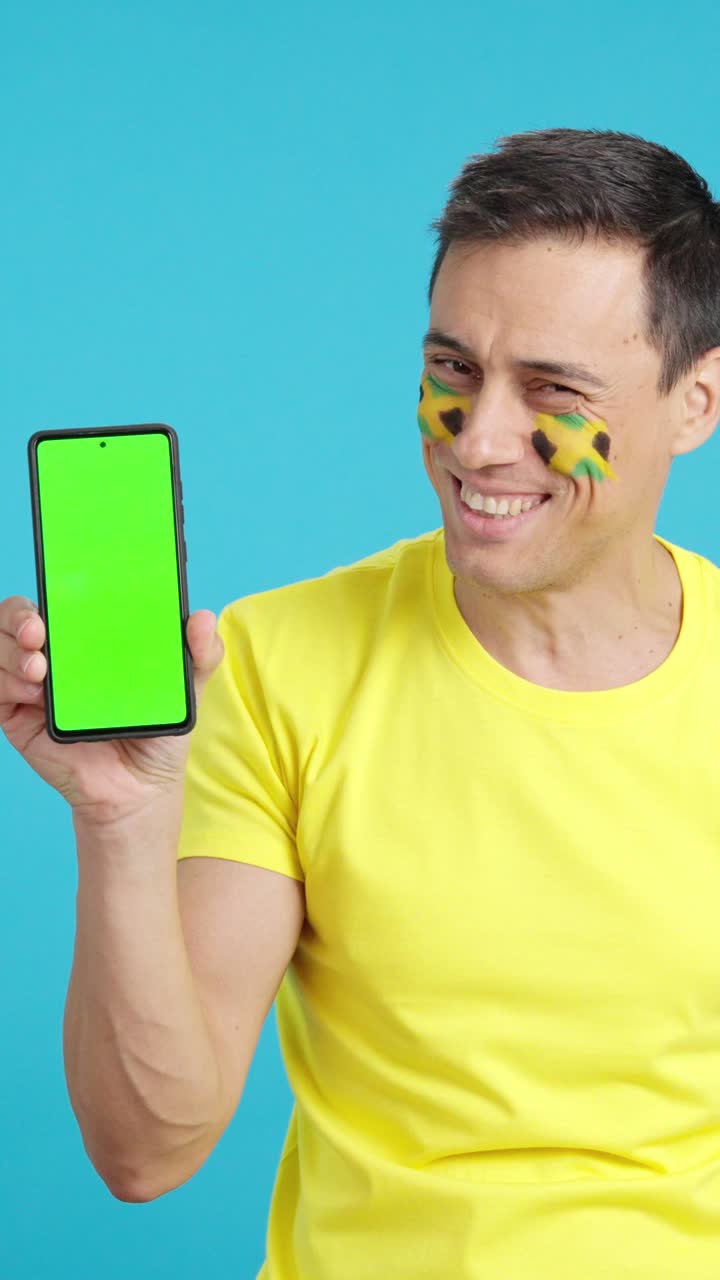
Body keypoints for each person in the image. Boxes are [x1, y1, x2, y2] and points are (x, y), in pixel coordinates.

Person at [3, 126, 720, 1279]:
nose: (481, 442)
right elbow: (147, 1148)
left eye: (554, 390)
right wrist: (121, 821)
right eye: (452, 370)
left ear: (695, 401)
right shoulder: (278, 664)